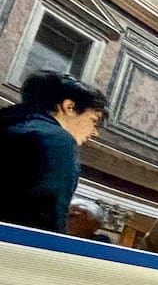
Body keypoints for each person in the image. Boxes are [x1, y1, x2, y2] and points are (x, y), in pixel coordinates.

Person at [0, 70, 108, 233]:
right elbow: (44, 217)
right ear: (69, 107)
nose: (95, 132)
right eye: (94, 120)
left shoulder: (9, 123)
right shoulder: (57, 140)